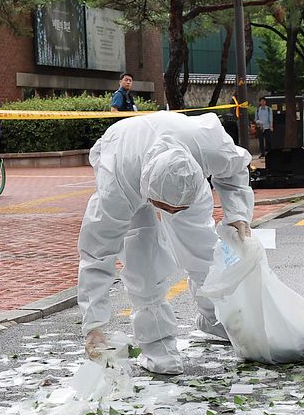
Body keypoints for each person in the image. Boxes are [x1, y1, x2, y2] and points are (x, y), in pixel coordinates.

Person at [79, 111, 254, 375]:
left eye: (178, 209)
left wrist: (238, 214)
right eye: (165, 207)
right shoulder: (117, 185)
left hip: (182, 163)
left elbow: (236, 169)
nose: (171, 214)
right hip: (126, 160)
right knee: (143, 260)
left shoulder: (209, 147)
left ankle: (215, 317)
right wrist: (94, 326)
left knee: (203, 250)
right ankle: (158, 347)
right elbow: (97, 254)